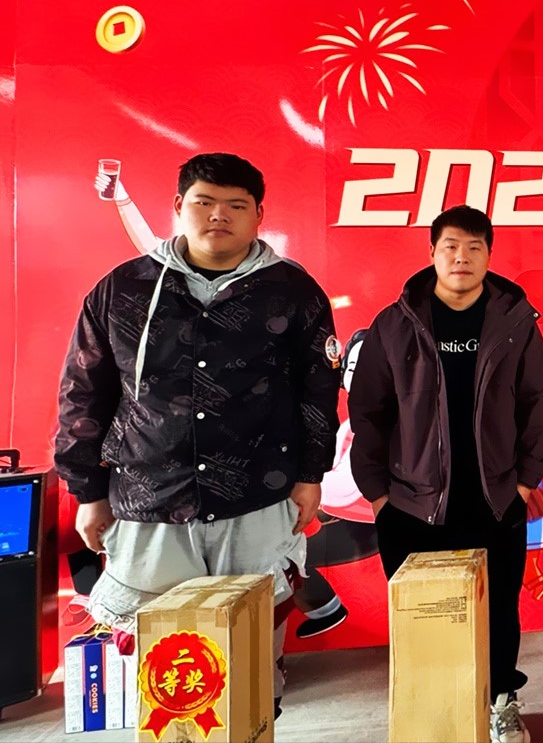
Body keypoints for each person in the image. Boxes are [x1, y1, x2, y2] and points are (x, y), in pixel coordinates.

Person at [57, 152, 340, 718]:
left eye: (236, 205)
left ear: (258, 215)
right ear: (178, 206)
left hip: (257, 494)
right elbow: (84, 391)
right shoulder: (124, 289)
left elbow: (317, 389)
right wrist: (87, 490)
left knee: (253, 647)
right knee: (170, 665)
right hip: (150, 498)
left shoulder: (291, 291)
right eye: (204, 202)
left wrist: (311, 474)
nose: (219, 216)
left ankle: (257, 722)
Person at [348, 205, 543, 743]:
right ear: (432, 253)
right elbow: (367, 411)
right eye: (451, 247)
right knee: (424, 617)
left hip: (495, 498)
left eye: (474, 248)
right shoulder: (394, 325)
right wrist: (378, 495)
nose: (461, 258)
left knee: (499, 611)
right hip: (411, 504)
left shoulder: (514, 322)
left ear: (489, 255)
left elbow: (537, 403)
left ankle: (501, 700)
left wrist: (525, 482)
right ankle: (435, 715)